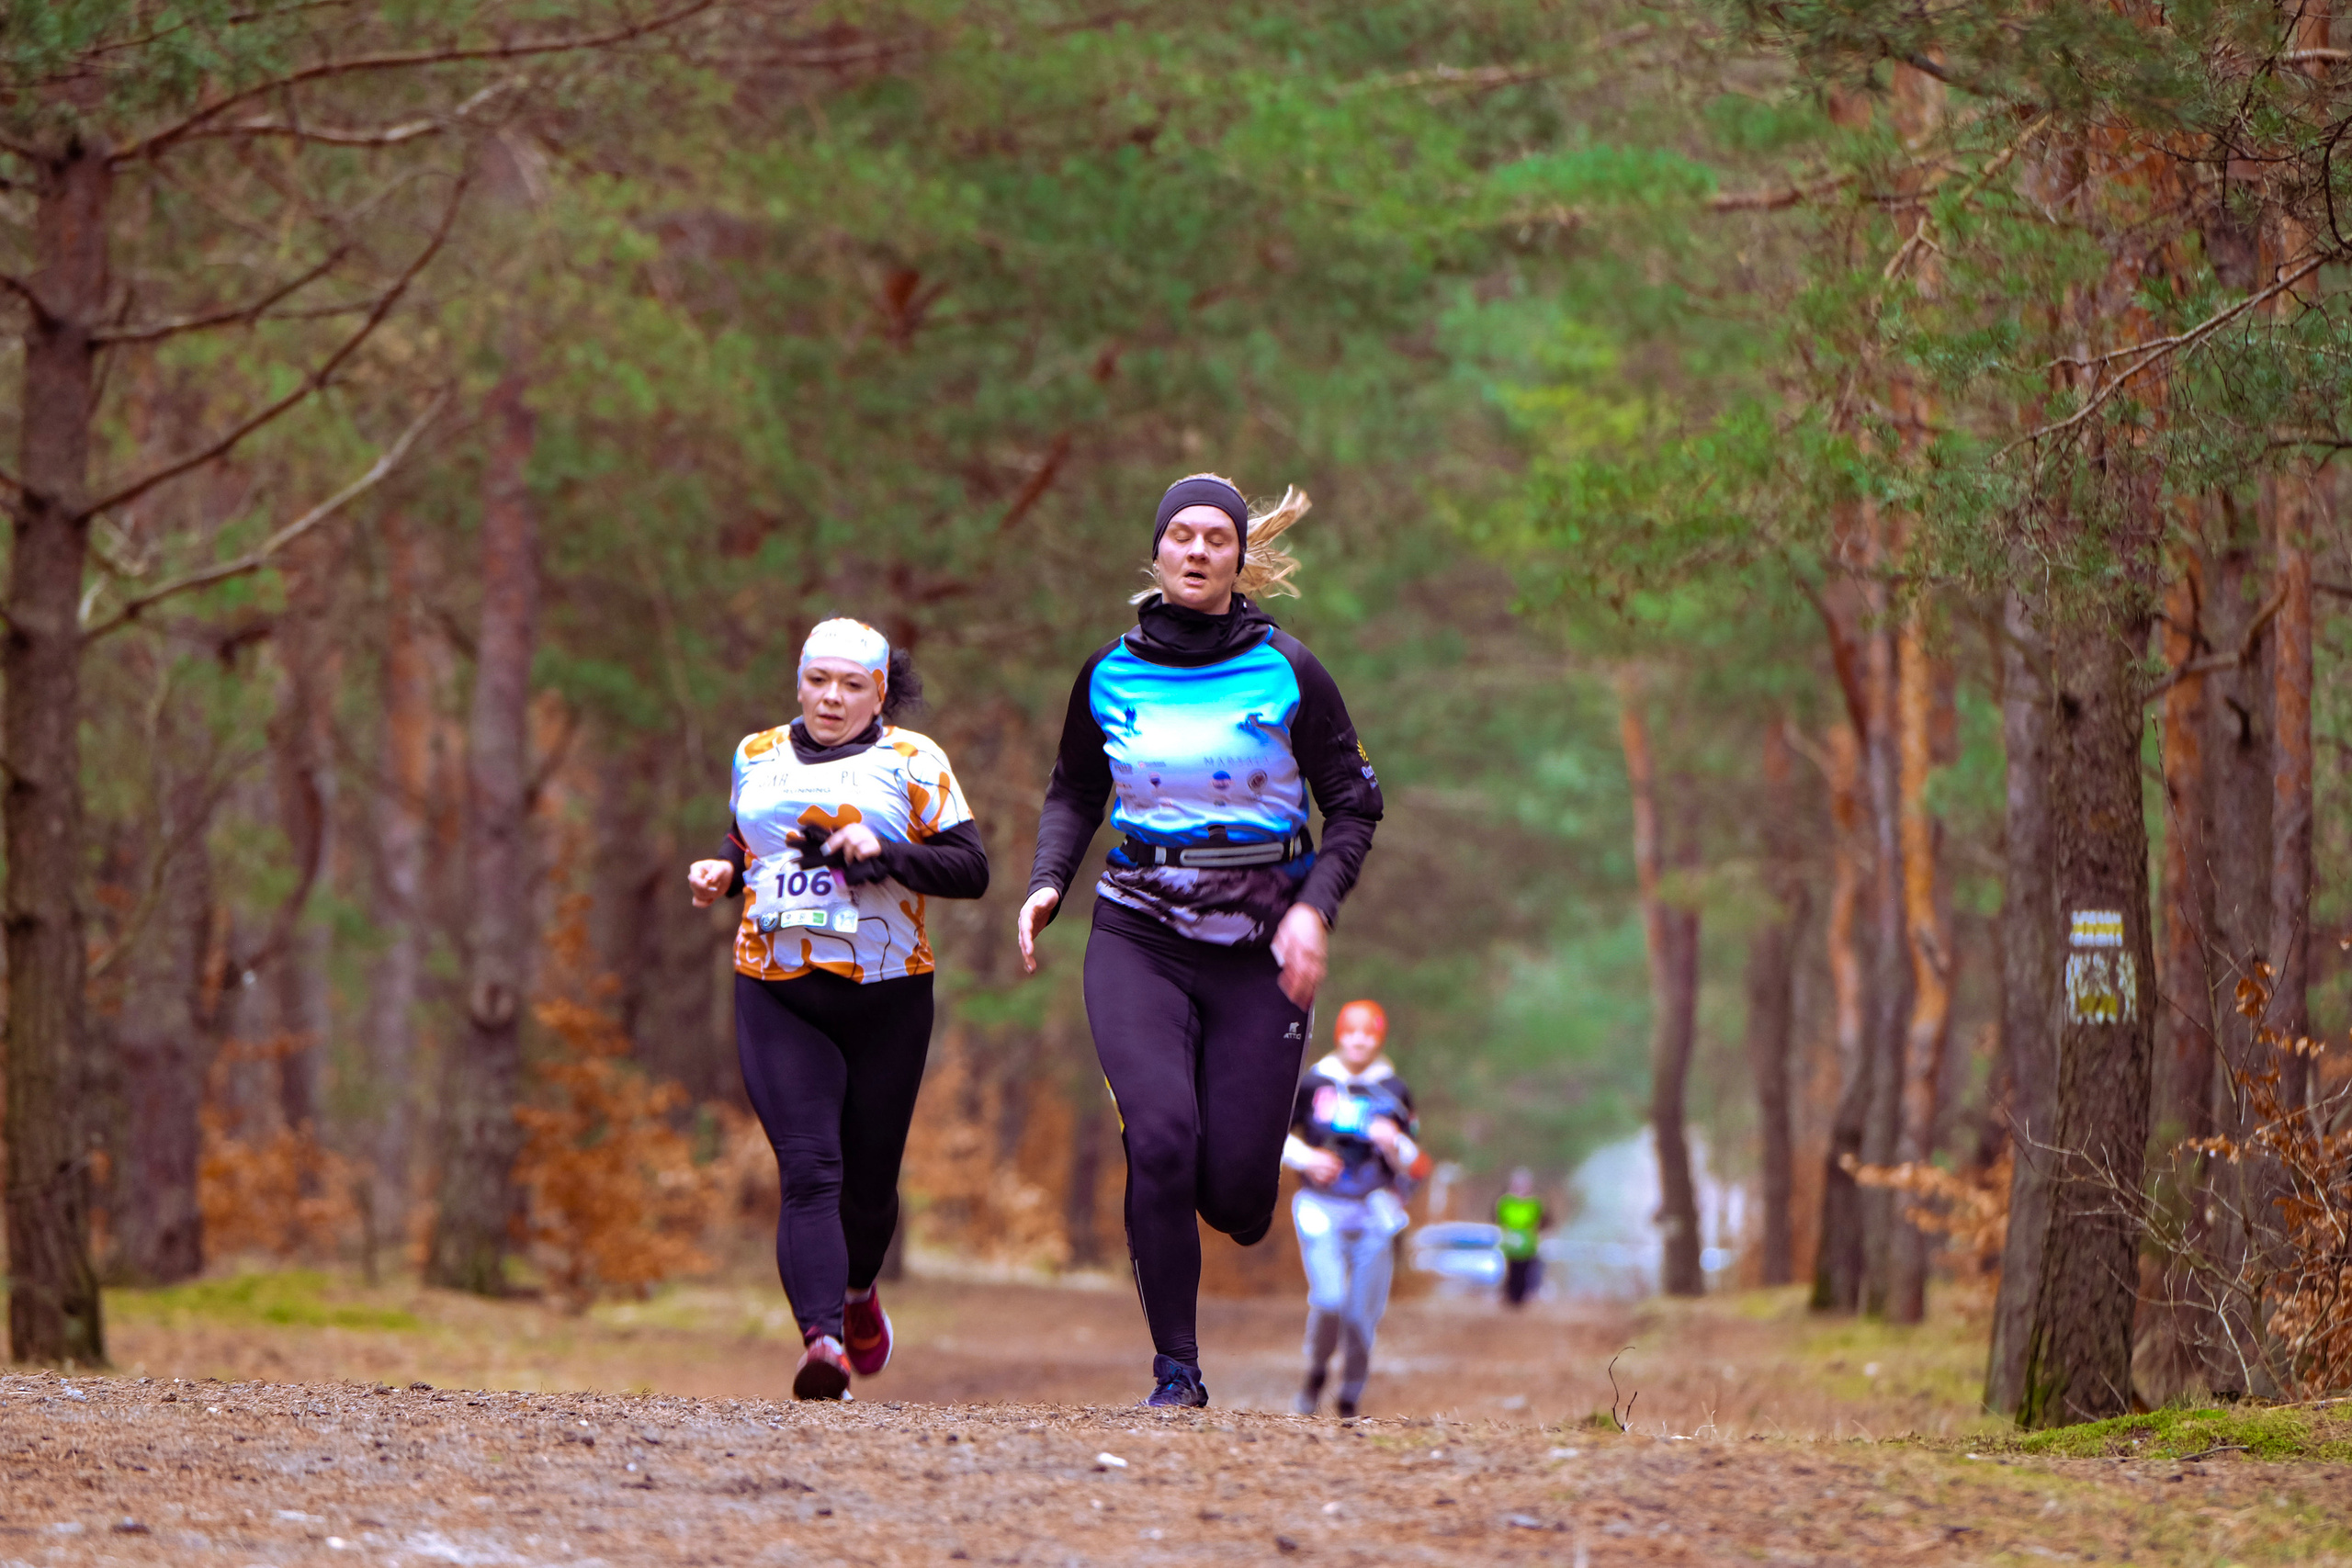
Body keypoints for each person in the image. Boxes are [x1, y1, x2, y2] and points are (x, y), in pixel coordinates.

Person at [1017, 473, 1384, 1408]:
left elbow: (1352, 805)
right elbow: (1072, 788)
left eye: (1215, 537)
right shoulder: (1108, 672)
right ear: (1157, 551)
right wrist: (1048, 882)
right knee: (1162, 1138)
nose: (1195, 550)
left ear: (1238, 556)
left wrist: (1312, 910)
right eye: (1179, 534)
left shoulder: (1288, 668)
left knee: (1237, 1202)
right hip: (1137, 928)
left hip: (1261, 941)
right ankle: (1175, 1370)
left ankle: (1223, 1186)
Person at [687, 618, 988, 1400]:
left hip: (888, 994)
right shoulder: (757, 754)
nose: (832, 697)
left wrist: (881, 855)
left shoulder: (913, 761)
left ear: (879, 692)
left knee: (869, 1186)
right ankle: (821, 1343)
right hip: (776, 987)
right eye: (819, 679)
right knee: (811, 1168)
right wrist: (721, 868)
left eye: (853, 685)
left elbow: (971, 867)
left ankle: (858, 1294)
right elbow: (746, 839)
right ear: (799, 681)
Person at [1283, 998, 1430, 1417]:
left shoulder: (1395, 1091)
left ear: (1379, 1038)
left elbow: (1417, 1162)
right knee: (1329, 1300)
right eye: (1352, 1032)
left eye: (1368, 1033)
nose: (1359, 1041)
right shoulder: (1313, 1083)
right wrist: (1307, 1159)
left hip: (1374, 1211)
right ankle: (1314, 1372)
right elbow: (1276, 1135)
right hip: (1320, 1207)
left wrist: (1394, 1143)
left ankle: (1350, 1394)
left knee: (1361, 1316)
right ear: (1340, 1035)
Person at [1496, 1168, 1548, 1307]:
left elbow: (1544, 1221)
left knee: (1525, 1272)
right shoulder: (1505, 1202)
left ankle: (1522, 1298)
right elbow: (1498, 1219)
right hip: (1511, 1244)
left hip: (1528, 1245)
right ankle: (1512, 1298)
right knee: (1512, 1272)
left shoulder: (1534, 1203)